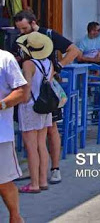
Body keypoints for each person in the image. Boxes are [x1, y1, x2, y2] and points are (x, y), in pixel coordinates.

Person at [13, 10, 80, 185]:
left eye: (24, 28)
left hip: (46, 90)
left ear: (33, 22)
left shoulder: (48, 34)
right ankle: (37, 172)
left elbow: (74, 50)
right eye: (19, 28)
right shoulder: (20, 40)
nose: (21, 32)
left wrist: (59, 65)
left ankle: (54, 168)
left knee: (51, 129)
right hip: (35, 86)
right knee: (39, 136)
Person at [15, 32, 54, 193]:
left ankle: (34, 183)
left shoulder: (28, 65)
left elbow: (27, 89)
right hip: (45, 107)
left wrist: (17, 101)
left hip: (30, 107)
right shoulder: (49, 63)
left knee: (31, 147)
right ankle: (43, 180)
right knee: (41, 145)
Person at [0, 49, 28, 222]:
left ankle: (15, 217)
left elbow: (21, 91)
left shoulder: (5, 58)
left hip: (0, 135)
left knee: (3, 182)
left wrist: (1, 104)